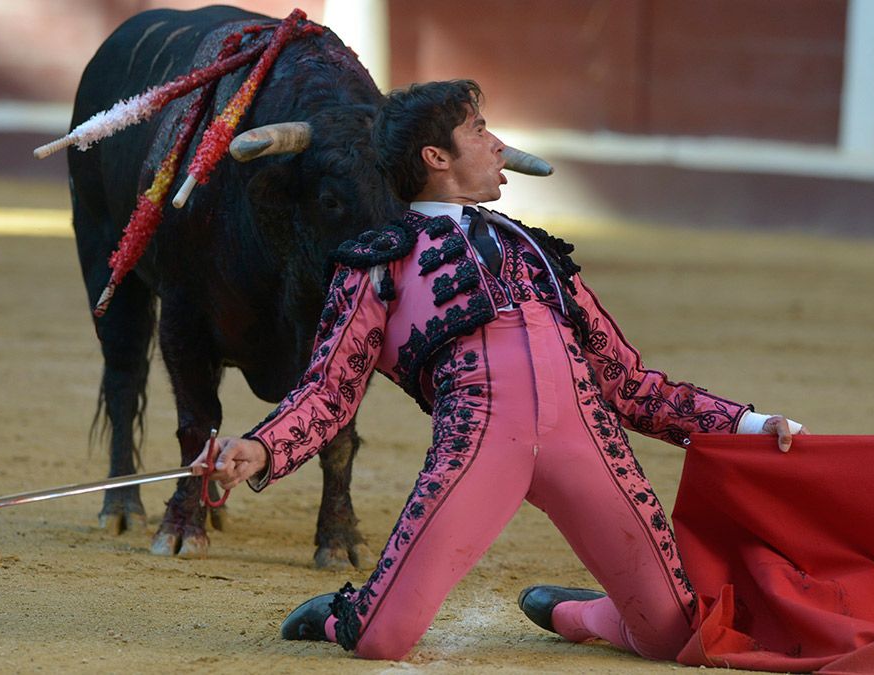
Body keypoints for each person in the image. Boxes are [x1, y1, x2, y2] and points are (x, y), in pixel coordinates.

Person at [191, 79, 807, 661]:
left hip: (586, 444)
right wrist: (262, 447)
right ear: (436, 156)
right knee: (382, 639)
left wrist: (749, 423)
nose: (498, 144)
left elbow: (628, 385)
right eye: (480, 129)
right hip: (476, 450)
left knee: (674, 636)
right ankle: (336, 614)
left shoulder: (537, 251)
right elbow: (328, 392)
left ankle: (581, 615)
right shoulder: (375, 266)